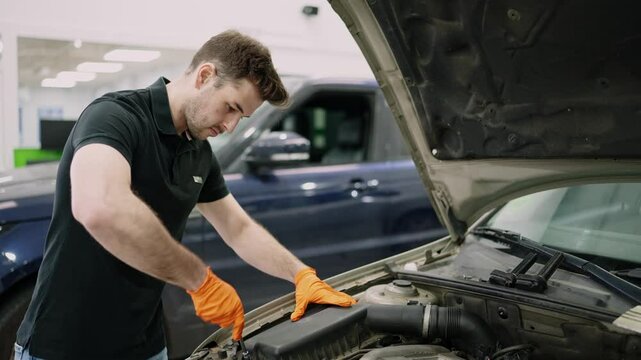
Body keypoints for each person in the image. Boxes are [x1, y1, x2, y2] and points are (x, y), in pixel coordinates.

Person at [15, 30, 356, 360]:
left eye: (242, 116)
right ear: (205, 75)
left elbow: (238, 228)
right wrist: (200, 281)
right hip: (65, 346)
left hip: (145, 346)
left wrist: (300, 274)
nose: (231, 126)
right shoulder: (115, 117)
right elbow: (101, 207)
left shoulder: (199, 152)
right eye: (231, 107)